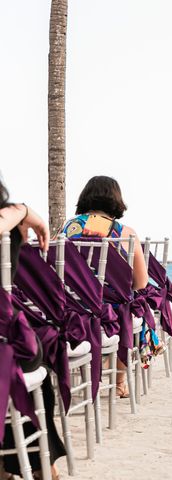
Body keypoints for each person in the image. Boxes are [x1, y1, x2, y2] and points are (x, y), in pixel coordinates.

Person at [60, 175, 152, 397]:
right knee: (127, 307)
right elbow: (141, 282)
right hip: (109, 310)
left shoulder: (67, 229)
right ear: (116, 200)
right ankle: (120, 382)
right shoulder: (125, 233)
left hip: (72, 308)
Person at [0, 182, 64, 480]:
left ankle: (15, 466)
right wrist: (23, 210)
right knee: (23, 359)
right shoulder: (9, 224)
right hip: (7, 341)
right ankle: (42, 467)